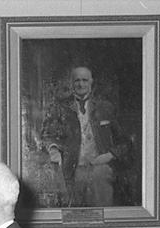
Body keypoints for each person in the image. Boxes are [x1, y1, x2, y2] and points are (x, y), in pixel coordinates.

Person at [41, 65, 131, 207]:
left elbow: (126, 142)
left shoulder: (106, 108)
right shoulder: (59, 108)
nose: (81, 84)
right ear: (71, 83)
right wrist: (53, 150)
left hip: (100, 167)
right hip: (72, 168)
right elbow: (47, 135)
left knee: (101, 196)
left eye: (84, 80)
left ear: (91, 82)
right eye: (77, 81)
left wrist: (110, 154)